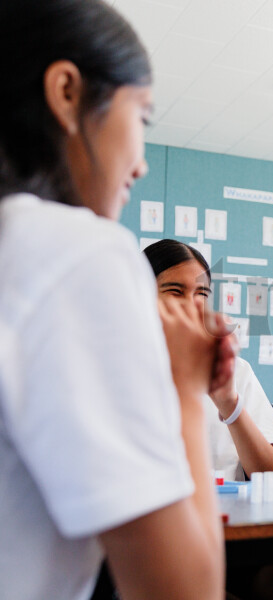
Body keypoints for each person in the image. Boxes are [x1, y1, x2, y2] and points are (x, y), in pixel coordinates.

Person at [0, 1, 227, 598]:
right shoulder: (78, 251)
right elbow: (184, 590)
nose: (142, 162)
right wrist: (183, 389)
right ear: (67, 92)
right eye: (143, 117)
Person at [141, 239, 273, 600]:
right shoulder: (115, 367)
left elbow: (269, 476)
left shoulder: (236, 370)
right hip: (150, 543)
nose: (193, 303)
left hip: (235, 538)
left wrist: (229, 402)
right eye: (174, 290)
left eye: (202, 292)